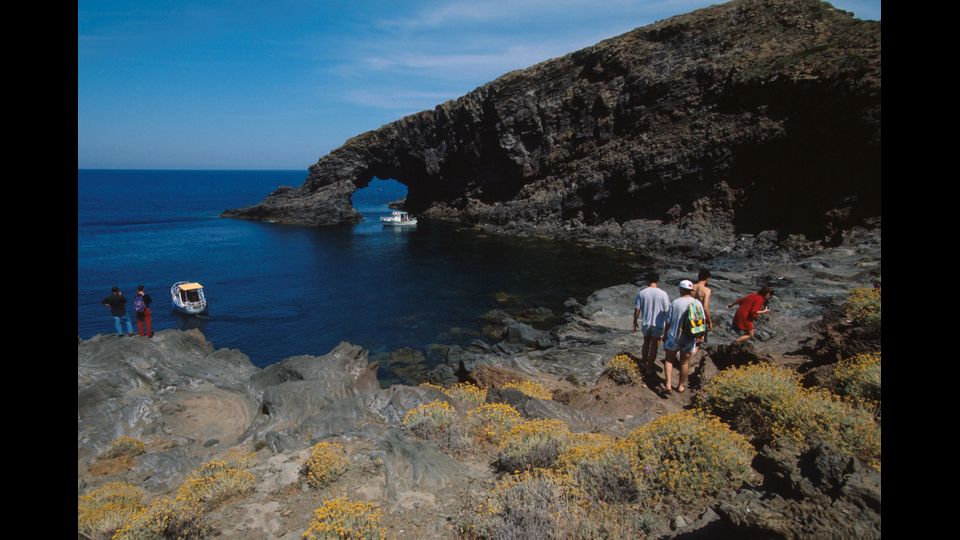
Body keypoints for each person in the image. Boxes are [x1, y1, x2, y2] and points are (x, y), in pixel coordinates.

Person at [661, 280, 705, 395]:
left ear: (680, 289)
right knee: (684, 363)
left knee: (669, 359)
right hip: (689, 337)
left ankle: (668, 385)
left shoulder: (675, 303)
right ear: (690, 291)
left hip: (673, 336)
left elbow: (668, 322)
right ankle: (680, 386)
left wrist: (665, 335)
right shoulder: (697, 303)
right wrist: (701, 336)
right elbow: (701, 322)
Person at [632, 272, 671, 374]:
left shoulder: (642, 293)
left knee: (646, 342)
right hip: (658, 324)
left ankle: (644, 362)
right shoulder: (663, 294)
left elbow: (637, 309)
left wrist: (635, 320)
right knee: (654, 345)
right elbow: (667, 311)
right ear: (657, 281)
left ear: (647, 281)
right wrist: (668, 324)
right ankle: (649, 367)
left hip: (646, 322)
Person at [691, 269, 714, 335]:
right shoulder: (706, 290)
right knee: (699, 339)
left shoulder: (692, 287)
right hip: (699, 316)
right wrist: (709, 321)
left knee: (689, 337)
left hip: (690, 314)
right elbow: (705, 307)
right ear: (707, 278)